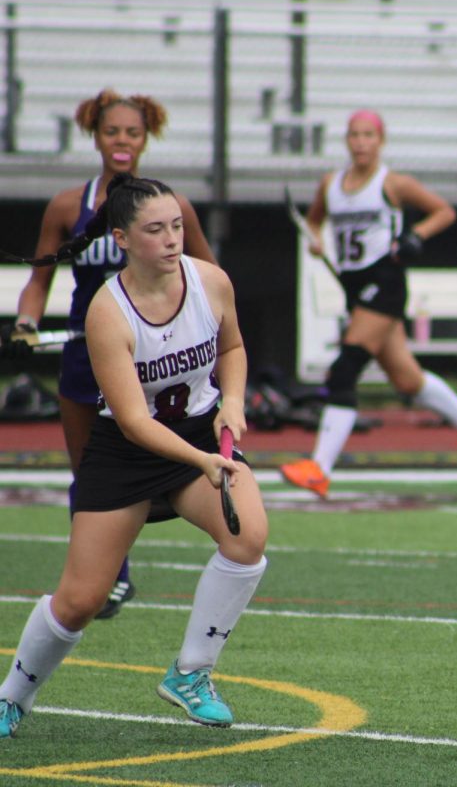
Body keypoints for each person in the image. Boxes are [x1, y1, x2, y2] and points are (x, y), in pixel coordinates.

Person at [0, 175, 269, 738]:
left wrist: (233, 403)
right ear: (121, 238)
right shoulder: (107, 312)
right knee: (80, 600)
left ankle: (191, 674)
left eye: (176, 226)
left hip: (197, 433)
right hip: (127, 452)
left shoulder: (210, 281)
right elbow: (133, 421)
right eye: (155, 230)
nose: (172, 239)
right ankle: (12, 698)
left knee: (248, 537)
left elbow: (234, 347)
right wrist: (202, 462)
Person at [12, 89, 217, 618]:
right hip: (87, 356)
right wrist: (25, 323)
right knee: (89, 470)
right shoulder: (67, 206)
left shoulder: (170, 209)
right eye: (112, 132)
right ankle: (108, 578)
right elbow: (38, 282)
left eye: (133, 132)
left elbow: (210, 279)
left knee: (152, 455)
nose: (122, 142)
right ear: (95, 137)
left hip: (152, 356)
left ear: (145, 138)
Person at [280, 110, 457, 497]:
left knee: (345, 368)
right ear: (346, 140)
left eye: (368, 135)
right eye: (354, 135)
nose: (361, 142)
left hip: (386, 280)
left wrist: (416, 235)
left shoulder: (392, 183)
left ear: (381, 140)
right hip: (353, 285)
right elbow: (314, 220)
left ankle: (319, 467)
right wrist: (315, 240)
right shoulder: (331, 185)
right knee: (406, 380)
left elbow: (444, 212)